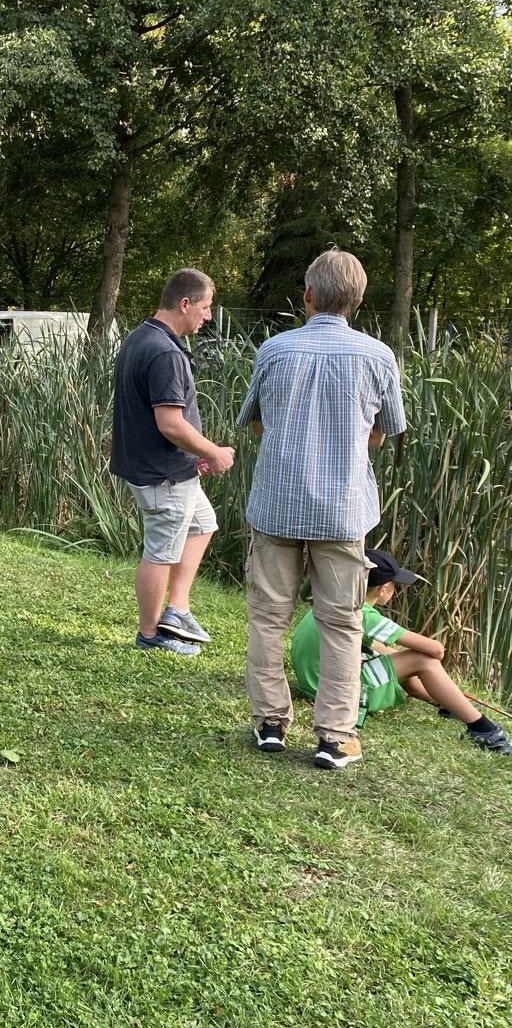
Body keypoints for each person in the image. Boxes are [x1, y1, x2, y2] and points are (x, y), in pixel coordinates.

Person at [237, 250, 405, 768]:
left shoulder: (274, 350)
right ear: (358, 301)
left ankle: (269, 723)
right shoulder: (378, 356)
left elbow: (255, 421)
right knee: (342, 622)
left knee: (269, 617)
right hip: (342, 510)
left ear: (308, 295)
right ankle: (335, 736)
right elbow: (383, 434)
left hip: (278, 505)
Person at [110, 268, 235, 656]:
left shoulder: (141, 337)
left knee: (203, 523)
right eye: (206, 307)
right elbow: (169, 423)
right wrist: (212, 452)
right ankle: (151, 635)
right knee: (161, 552)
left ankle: (176, 610)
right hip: (162, 475)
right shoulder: (165, 352)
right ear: (184, 304)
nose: (208, 316)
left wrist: (194, 458)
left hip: (167, 468)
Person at [289, 547, 512, 754]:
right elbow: (435, 650)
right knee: (422, 660)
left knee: (398, 658)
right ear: (384, 589)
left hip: (315, 685)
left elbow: (380, 650)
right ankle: (483, 729)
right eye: (395, 586)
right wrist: (409, 657)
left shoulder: (333, 602)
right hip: (339, 695)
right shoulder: (363, 615)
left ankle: (446, 703)